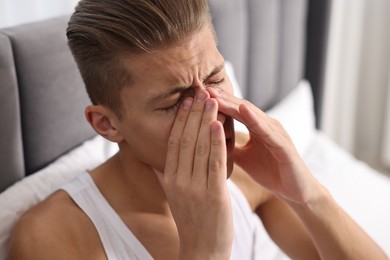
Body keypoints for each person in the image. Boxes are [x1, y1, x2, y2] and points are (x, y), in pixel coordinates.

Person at [8, 0, 387, 259]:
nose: (213, 114)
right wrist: (205, 251)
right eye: (175, 102)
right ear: (107, 124)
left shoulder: (248, 167)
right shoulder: (55, 237)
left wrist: (310, 196)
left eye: (216, 77)